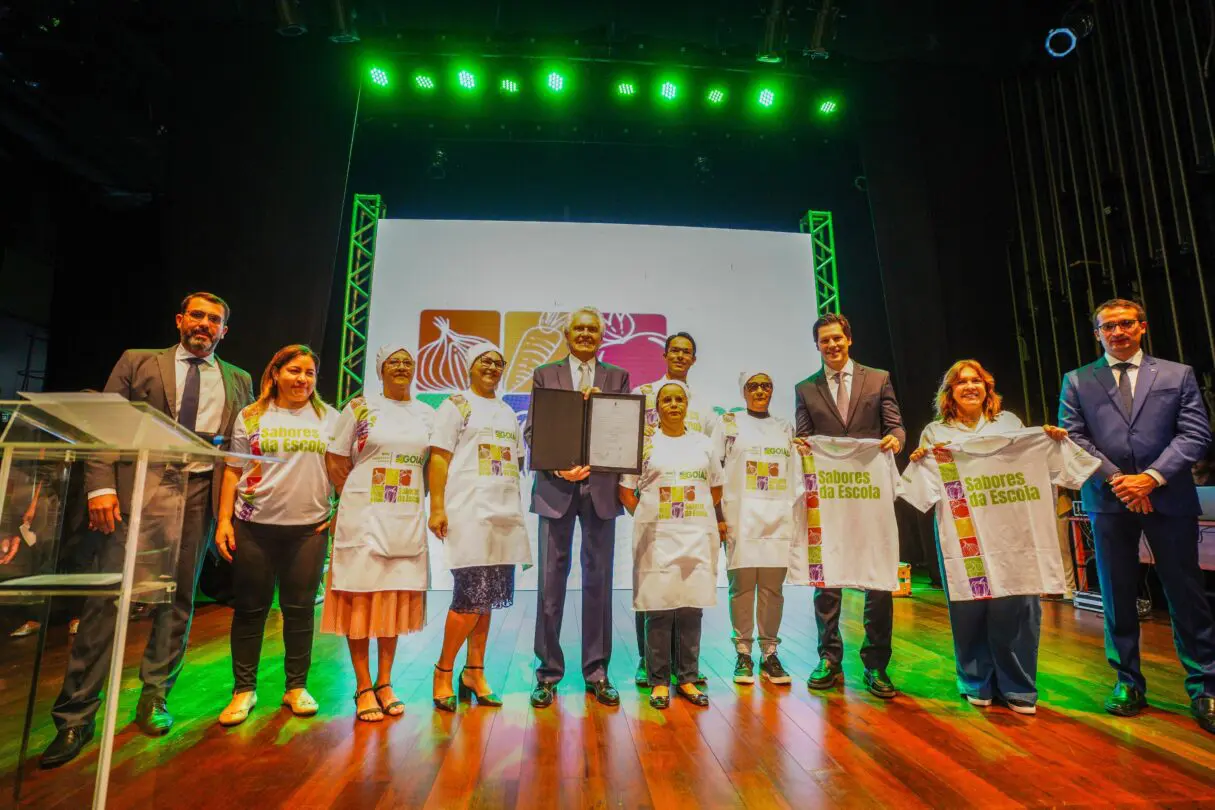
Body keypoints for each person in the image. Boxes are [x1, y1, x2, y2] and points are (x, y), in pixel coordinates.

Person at [40, 293, 254, 769]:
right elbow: (105, 426)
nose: (204, 324)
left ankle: (155, 696)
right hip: (139, 488)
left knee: (177, 599)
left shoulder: (239, 379)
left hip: (198, 492)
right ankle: (75, 715)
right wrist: (100, 489)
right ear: (180, 320)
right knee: (107, 601)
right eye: (196, 315)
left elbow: (240, 446)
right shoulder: (138, 362)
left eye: (214, 320)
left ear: (224, 331)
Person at [1058, 298, 1215, 734]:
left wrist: (1150, 478)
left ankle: (1205, 686)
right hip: (1108, 501)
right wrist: (1121, 482)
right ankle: (1128, 681)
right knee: (1117, 594)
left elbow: (1196, 434)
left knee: (1187, 594)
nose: (1118, 332)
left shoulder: (1176, 374)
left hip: (1168, 497)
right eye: (1108, 327)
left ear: (1142, 326)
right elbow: (1073, 438)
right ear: (1097, 334)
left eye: (1126, 323)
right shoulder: (1076, 380)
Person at [909, 360, 1071, 714]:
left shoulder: (1010, 424)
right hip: (963, 532)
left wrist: (1050, 442)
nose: (970, 387)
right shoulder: (936, 433)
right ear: (949, 391)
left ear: (987, 387)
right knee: (969, 605)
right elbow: (921, 488)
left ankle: (1019, 686)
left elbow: (1037, 464)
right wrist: (920, 461)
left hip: (1012, 531)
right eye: (961, 382)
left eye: (976, 381)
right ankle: (975, 680)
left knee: (1017, 604)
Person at [214, 345, 337, 726]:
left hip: (308, 529)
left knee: (299, 612)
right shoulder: (251, 416)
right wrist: (223, 522)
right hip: (254, 526)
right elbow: (233, 470)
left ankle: (296, 687)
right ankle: (244, 691)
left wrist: (337, 512)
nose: (302, 379)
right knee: (250, 610)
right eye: (295, 371)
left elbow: (342, 468)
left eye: (310, 373)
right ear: (276, 373)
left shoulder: (328, 417)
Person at [794, 312, 905, 699]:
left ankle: (876, 665)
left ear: (849, 339)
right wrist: (800, 446)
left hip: (869, 495)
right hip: (829, 497)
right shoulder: (805, 388)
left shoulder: (878, 378)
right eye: (825, 341)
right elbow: (803, 437)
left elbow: (895, 426)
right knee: (826, 577)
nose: (832, 345)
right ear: (818, 346)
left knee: (878, 579)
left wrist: (895, 440)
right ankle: (829, 657)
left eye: (837, 339)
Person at [526, 307, 630, 709]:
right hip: (556, 488)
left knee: (598, 582)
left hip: (600, 489)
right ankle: (548, 672)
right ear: (567, 335)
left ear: (601, 336)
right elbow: (535, 429)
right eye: (579, 329)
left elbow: (623, 432)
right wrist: (558, 465)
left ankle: (597, 672)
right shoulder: (545, 373)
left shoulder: (616, 378)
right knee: (550, 584)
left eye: (593, 329)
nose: (586, 334)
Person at [321, 345, 431, 722]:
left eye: (407, 362)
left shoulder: (426, 414)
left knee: (390, 601)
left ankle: (385, 683)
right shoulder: (360, 408)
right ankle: (363, 685)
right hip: (364, 518)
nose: (401, 367)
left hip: (405, 517)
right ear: (380, 369)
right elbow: (335, 460)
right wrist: (354, 499)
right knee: (360, 599)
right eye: (393, 362)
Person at [428, 342, 531, 711]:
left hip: (502, 516)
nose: (491, 367)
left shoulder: (506, 411)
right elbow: (439, 459)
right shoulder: (456, 406)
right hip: (468, 513)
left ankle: (474, 671)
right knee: (469, 598)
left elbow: (515, 464)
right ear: (470, 367)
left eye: (497, 362)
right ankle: (443, 670)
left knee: (486, 600)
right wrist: (437, 507)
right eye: (484, 361)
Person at [619, 380, 725, 709]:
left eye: (679, 399)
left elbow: (715, 489)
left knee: (690, 607)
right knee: (659, 609)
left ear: (687, 405)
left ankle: (689, 678)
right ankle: (659, 681)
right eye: (667, 400)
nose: (674, 405)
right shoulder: (644, 445)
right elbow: (626, 491)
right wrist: (654, 516)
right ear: (657, 406)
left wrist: (690, 519)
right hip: (657, 539)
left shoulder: (704, 444)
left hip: (694, 536)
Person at [631, 332, 715, 686]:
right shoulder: (642, 395)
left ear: (694, 359)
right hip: (658, 512)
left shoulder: (705, 409)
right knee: (653, 589)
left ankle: (685, 670)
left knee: (688, 591)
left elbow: (715, 472)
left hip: (691, 516)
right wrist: (645, 510)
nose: (680, 356)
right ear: (664, 355)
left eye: (687, 352)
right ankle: (648, 663)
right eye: (675, 351)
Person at [713, 370, 807, 685]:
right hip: (740, 516)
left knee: (772, 589)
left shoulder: (784, 428)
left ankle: (769, 653)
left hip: (777, 517)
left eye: (766, 385)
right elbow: (714, 472)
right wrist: (718, 516)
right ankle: (742, 653)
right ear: (743, 391)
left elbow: (796, 473)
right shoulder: (728, 424)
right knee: (741, 588)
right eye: (753, 386)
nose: (760, 390)